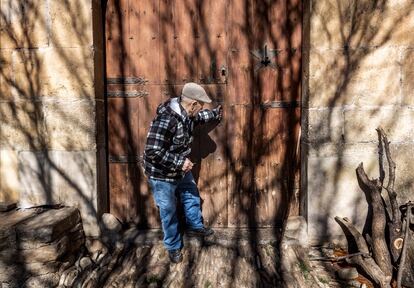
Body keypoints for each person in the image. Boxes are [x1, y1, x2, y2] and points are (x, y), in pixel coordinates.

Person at [143, 82, 223, 263]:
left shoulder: (186, 114)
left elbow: (198, 118)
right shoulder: (167, 119)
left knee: (190, 195)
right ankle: (172, 246)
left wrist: (214, 114)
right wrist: (179, 162)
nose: (201, 109)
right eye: (200, 105)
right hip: (161, 174)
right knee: (168, 211)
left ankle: (195, 226)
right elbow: (152, 150)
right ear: (193, 104)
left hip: (180, 169)